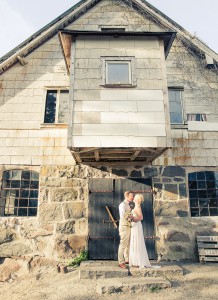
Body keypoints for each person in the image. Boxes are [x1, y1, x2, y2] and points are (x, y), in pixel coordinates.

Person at [129, 194, 161, 269]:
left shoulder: (138, 206)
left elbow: (141, 217)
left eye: (135, 198)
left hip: (137, 226)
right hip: (134, 226)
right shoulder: (135, 206)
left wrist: (133, 219)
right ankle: (135, 261)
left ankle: (138, 262)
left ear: (137, 200)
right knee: (134, 242)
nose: (133, 198)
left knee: (137, 242)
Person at [118, 191, 134, 269]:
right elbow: (123, 215)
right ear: (127, 196)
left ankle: (127, 259)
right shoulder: (122, 205)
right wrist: (130, 217)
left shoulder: (128, 205)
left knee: (128, 243)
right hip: (124, 226)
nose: (132, 197)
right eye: (131, 196)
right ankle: (121, 262)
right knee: (123, 244)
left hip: (129, 225)